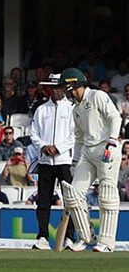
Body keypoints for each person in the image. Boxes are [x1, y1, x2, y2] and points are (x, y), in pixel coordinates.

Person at [59, 68, 123, 252]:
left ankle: (107, 242)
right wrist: (74, 161)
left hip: (106, 147)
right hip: (88, 151)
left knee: (107, 194)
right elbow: (79, 139)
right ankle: (85, 237)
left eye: (65, 87)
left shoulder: (97, 96)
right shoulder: (76, 109)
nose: (65, 91)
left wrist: (112, 141)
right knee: (73, 195)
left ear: (73, 84)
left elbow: (115, 117)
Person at [30, 72, 76, 250]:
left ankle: (69, 238)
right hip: (45, 161)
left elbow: (75, 135)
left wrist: (59, 148)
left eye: (59, 87)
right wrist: (43, 146)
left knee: (69, 201)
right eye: (54, 88)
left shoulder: (72, 108)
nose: (57, 91)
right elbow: (34, 133)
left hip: (64, 161)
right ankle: (42, 237)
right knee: (43, 200)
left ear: (65, 88)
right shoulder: (42, 109)